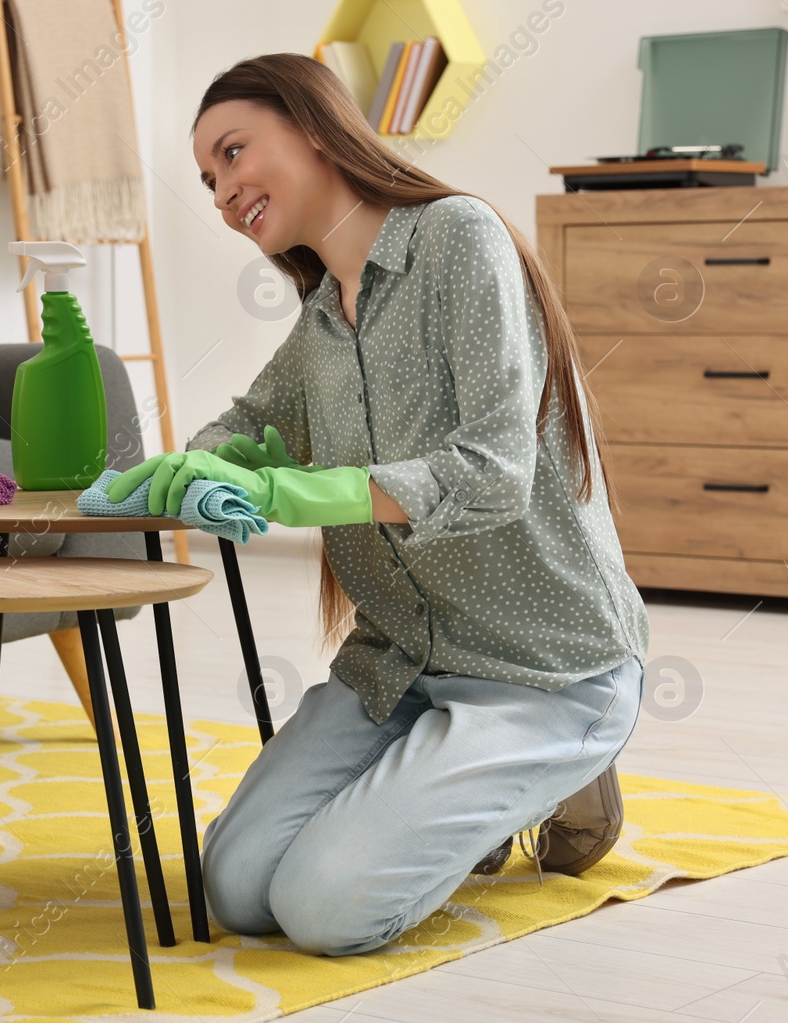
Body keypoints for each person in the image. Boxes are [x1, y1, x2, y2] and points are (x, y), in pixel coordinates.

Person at [108, 53, 649, 956]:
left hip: (546, 667)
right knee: (238, 887)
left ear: (316, 128)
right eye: (208, 178)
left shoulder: (455, 239)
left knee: (324, 909)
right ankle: (446, 787)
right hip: (403, 663)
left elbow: (493, 469)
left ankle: (555, 773)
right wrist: (185, 469)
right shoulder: (326, 313)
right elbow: (244, 420)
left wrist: (292, 490)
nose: (222, 190)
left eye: (235, 153)